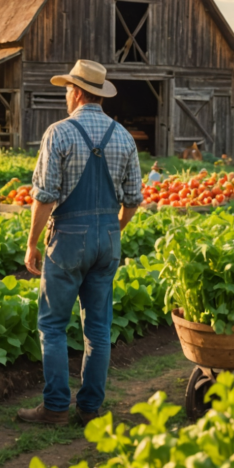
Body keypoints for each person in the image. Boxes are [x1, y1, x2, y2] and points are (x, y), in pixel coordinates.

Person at [19, 59, 143, 426]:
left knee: (54, 325)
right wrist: (114, 229)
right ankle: (90, 409)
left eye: (67, 90)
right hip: (108, 237)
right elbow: (134, 198)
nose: (65, 96)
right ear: (99, 95)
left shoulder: (59, 132)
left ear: (75, 91)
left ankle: (55, 408)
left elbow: (44, 196)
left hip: (69, 237)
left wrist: (32, 243)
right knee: (99, 328)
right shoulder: (123, 136)